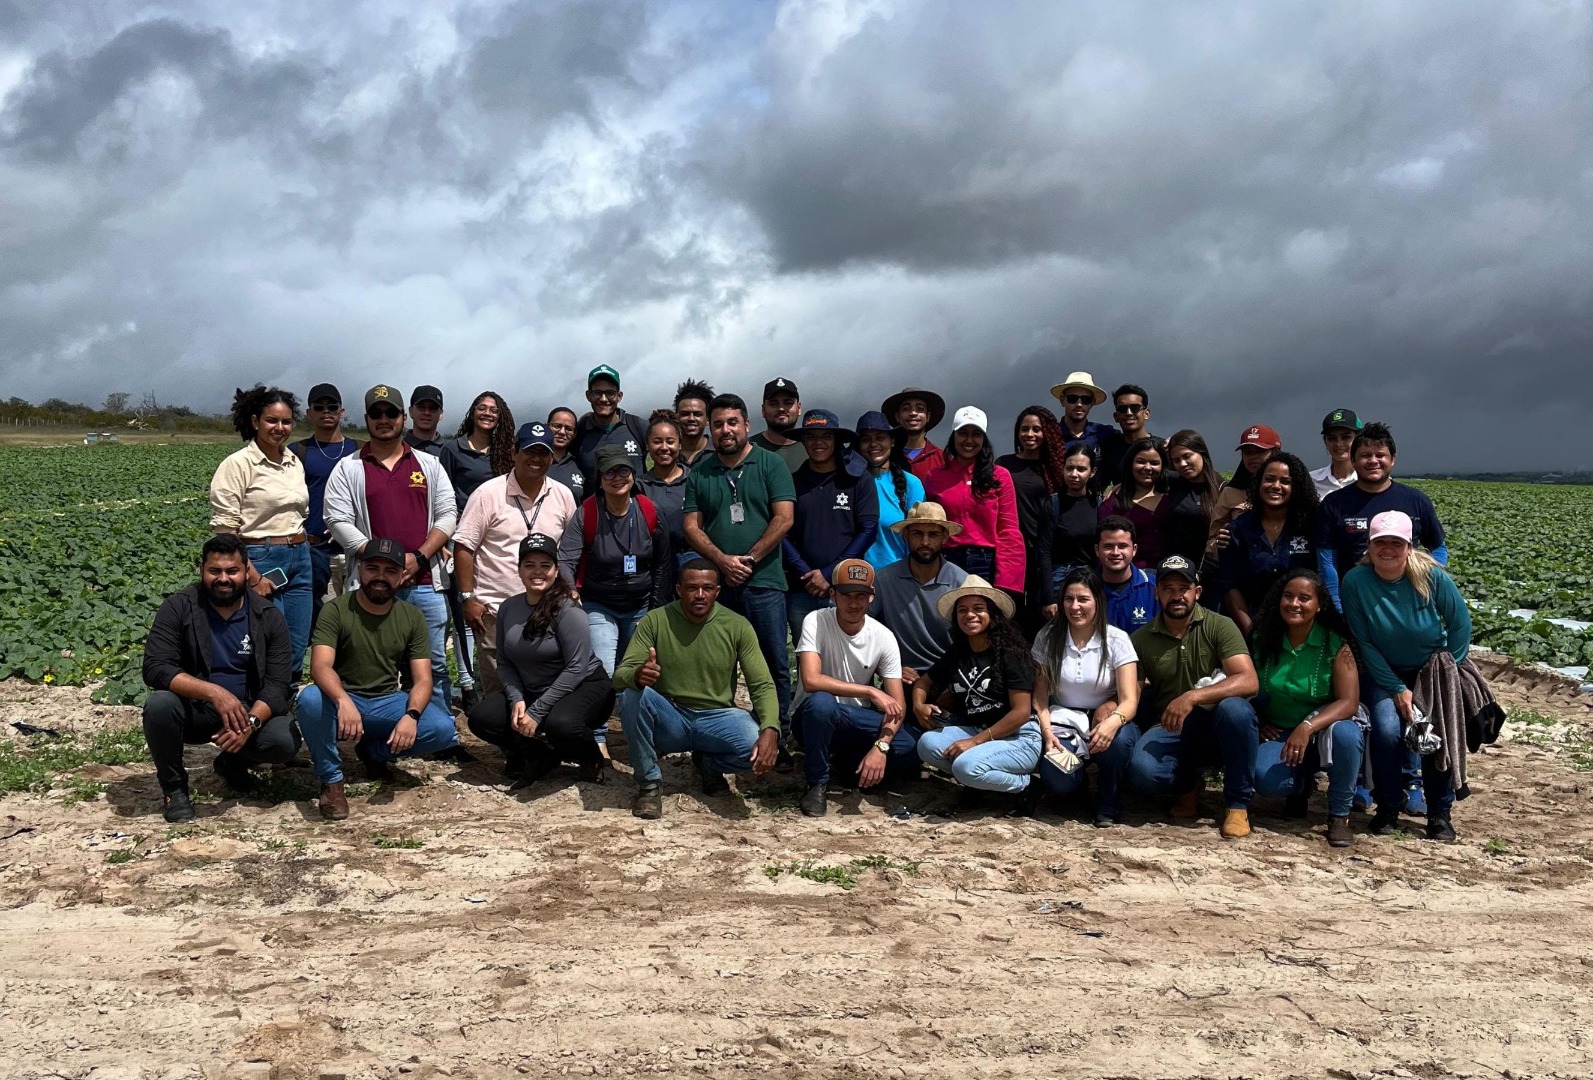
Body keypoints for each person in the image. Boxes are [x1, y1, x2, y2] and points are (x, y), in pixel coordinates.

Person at [297, 538, 463, 820]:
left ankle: (375, 753)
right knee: (310, 699)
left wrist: (411, 715)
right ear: (360, 570)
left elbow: (423, 679)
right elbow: (320, 667)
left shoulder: (411, 616)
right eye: (373, 568)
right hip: (343, 699)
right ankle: (332, 780)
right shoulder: (336, 609)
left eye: (390, 571)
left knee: (442, 729)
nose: (380, 577)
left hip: (387, 699)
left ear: (402, 576)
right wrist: (342, 700)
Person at [140, 536, 301, 822]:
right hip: (195, 710)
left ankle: (233, 762)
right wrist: (214, 693)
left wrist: (251, 723)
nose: (223, 579)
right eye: (215, 571)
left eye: (232, 571)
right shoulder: (179, 607)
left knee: (284, 740)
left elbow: (278, 684)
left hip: (247, 711)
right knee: (160, 705)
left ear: (246, 570)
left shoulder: (268, 616)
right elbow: (155, 667)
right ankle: (174, 789)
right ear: (201, 569)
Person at [324, 385, 458, 716]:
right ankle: (373, 730)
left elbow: (448, 515)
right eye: (376, 414)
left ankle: (435, 733)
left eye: (391, 413)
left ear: (403, 417)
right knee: (369, 664)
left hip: (425, 580)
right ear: (367, 419)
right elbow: (337, 518)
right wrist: (384, 562)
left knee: (434, 664)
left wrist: (420, 556)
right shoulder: (348, 468)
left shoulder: (428, 465)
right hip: (372, 584)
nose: (384, 420)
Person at [614, 560, 781, 818]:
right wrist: (637, 675)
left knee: (753, 745)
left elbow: (761, 684)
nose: (699, 595)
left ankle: (709, 765)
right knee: (631, 694)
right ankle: (649, 784)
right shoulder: (655, 621)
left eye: (707, 588)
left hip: (717, 716)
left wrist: (771, 728)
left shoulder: (737, 626)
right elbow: (619, 676)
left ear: (717, 591)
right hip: (671, 714)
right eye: (692, 588)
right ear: (679, 589)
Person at [1341, 511, 1471, 842]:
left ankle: (1439, 812)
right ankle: (1387, 805)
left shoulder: (1431, 576)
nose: (1387, 549)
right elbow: (1364, 641)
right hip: (1383, 670)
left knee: (1433, 736)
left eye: (1395, 543)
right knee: (1386, 731)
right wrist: (1398, 688)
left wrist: (1447, 670)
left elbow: (1459, 624)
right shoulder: (1355, 582)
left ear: (1409, 546)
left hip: (1430, 670)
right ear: (1369, 546)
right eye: (1379, 542)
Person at [683, 393, 797, 750]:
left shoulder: (770, 464)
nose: (725, 430)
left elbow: (785, 517)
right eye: (717, 424)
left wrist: (748, 558)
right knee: (718, 665)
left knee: (773, 661)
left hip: (763, 581)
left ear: (747, 425)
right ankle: (722, 738)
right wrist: (722, 561)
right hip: (718, 585)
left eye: (732, 422)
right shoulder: (701, 471)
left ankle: (777, 736)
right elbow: (691, 526)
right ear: (709, 429)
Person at [1126, 555, 1262, 839]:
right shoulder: (1140, 638)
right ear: (1156, 592)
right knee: (1143, 770)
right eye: (1168, 588)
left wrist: (1192, 697)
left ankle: (1237, 804)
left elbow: (1248, 680)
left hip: (1216, 721)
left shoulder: (1220, 625)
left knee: (1237, 711)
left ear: (1197, 592)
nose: (1177, 596)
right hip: (1171, 726)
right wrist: (1109, 709)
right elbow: (1132, 693)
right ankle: (1188, 786)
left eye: (1184, 588)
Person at [467, 534, 615, 786]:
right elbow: (504, 661)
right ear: (519, 570)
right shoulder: (508, 608)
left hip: (583, 686)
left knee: (562, 725)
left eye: (545, 565)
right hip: (534, 688)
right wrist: (516, 699)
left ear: (556, 571)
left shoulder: (569, 610)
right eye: (530, 565)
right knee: (481, 718)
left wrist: (536, 711)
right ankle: (541, 756)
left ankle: (590, 758)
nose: (538, 572)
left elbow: (576, 668)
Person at [453, 421, 578, 694]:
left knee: (544, 689)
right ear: (514, 452)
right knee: (500, 692)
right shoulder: (488, 494)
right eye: (529, 451)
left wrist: (569, 589)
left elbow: (569, 550)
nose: (536, 459)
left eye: (543, 453)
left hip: (547, 611)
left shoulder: (563, 495)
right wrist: (467, 598)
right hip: (495, 611)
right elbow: (464, 547)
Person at [1249, 571, 1363, 847]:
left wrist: (1307, 726)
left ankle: (1338, 815)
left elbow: (1349, 702)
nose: (1294, 604)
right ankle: (1300, 786)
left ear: (1319, 605)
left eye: (1304, 598)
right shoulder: (1261, 639)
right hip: (1280, 732)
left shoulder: (1336, 645)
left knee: (1347, 735)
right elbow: (1247, 687)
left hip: (1323, 728)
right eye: (1288, 596)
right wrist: (1260, 719)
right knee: (1265, 780)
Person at [793, 560, 910, 816]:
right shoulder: (816, 620)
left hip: (853, 719)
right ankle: (817, 783)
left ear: (871, 597)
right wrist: (870, 690)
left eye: (861, 595)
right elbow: (811, 680)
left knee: (909, 746)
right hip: (814, 716)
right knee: (822, 703)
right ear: (833, 594)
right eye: (846, 595)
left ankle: (850, 764)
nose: (854, 603)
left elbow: (898, 707)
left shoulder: (883, 636)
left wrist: (881, 747)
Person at [913, 576, 1040, 811]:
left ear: (992, 614)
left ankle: (1026, 786)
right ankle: (981, 783)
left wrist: (973, 742)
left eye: (978, 609)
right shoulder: (959, 651)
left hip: (1019, 736)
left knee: (965, 767)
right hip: (978, 730)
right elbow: (923, 682)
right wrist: (919, 705)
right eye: (963, 610)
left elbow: (1021, 712)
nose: (970, 615)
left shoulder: (1011, 653)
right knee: (927, 744)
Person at [209, 385, 313, 668]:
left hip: (300, 557)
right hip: (260, 558)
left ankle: (285, 703)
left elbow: (299, 513)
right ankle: (261, 702)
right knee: (267, 640)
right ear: (255, 421)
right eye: (272, 420)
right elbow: (226, 531)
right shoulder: (238, 465)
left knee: (297, 641)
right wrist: (252, 577)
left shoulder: (293, 462)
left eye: (286, 421)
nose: (279, 427)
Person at [1029, 569, 1140, 826]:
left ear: (1098, 601)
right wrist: (1047, 732)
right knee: (1058, 779)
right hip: (1063, 721)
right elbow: (1040, 697)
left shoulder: (1117, 640)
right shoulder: (1047, 637)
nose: (1075, 606)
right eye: (1069, 599)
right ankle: (1078, 786)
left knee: (1119, 742)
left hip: (1106, 716)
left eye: (1083, 599)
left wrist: (1112, 722)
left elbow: (1130, 699)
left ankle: (1108, 802)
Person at [559, 444, 672, 674]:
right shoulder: (587, 513)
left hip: (641, 605)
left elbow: (662, 563)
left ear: (633, 475)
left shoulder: (649, 511)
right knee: (606, 671)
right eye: (609, 472)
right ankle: (607, 709)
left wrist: (655, 610)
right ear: (599, 480)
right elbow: (565, 560)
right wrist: (570, 590)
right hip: (599, 605)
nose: (617, 478)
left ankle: (627, 710)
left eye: (623, 471)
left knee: (634, 672)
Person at [1316, 422, 1447, 610]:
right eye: (1365, 455)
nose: (1373, 461)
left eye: (1380, 455)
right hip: (1355, 603)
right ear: (1353, 460)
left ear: (1392, 459)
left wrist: (1425, 579)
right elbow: (1327, 562)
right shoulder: (1333, 503)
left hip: (1407, 601)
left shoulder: (1415, 500)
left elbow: (1439, 548)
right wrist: (1338, 607)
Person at [783, 409, 880, 641]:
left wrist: (829, 574)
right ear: (803, 441)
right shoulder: (792, 481)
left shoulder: (859, 479)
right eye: (811, 436)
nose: (818, 442)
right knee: (806, 659)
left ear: (836, 440)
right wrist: (806, 573)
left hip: (847, 588)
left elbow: (868, 530)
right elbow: (781, 532)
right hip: (802, 589)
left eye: (826, 435)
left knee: (850, 656)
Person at [922, 406, 1024, 598]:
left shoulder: (999, 476)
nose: (969, 440)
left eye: (976, 434)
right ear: (954, 435)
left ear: (983, 439)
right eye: (963, 433)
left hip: (986, 563)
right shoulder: (934, 477)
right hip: (946, 561)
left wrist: (1007, 582)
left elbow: (1008, 529)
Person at [1216, 451, 1319, 637]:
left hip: (1303, 629)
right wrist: (1251, 632)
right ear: (1258, 483)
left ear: (1297, 487)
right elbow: (1229, 585)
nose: (1276, 486)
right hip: (1249, 627)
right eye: (1269, 479)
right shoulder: (1237, 529)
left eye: (1285, 481)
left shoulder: (1311, 527)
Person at [870, 503, 970, 691]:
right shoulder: (883, 580)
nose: (925, 542)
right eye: (917, 534)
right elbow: (859, 630)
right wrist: (885, 668)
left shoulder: (962, 583)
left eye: (933, 534)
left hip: (951, 681)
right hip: (901, 680)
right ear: (906, 535)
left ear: (944, 538)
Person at [289, 383, 362, 634]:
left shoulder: (361, 450)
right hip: (317, 551)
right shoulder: (297, 452)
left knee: (361, 625)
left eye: (332, 407)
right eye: (318, 407)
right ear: (309, 414)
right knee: (328, 627)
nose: (326, 412)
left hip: (357, 552)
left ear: (342, 412)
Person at [997, 406, 1069, 632]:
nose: (1030, 434)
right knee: (1011, 613)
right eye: (1024, 429)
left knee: (1043, 614)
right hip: (1011, 550)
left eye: (1036, 429)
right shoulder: (1004, 464)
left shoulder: (1055, 468)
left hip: (1046, 551)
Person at [854, 410, 924, 568]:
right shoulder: (849, 483)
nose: (873, 444)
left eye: (880, 438)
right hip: (855, 580)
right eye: (866, 439)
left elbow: (918, 535)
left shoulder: (911, 484)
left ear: (892, 441)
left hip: (898, 577)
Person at [1036, 441, 1098, 620]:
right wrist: (1048, 598)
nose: (1074, 474)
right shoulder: (1052, 504)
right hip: (1058, 580)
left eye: (1081, 469)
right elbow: (1043, 551)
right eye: (1069, 468)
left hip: (1088, 578)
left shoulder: (1099, 505)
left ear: (1092, 472)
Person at [1098, 436, 1170, 568]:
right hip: (1119, 575)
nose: (1147, 468)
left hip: (1161, 577)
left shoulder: (1171, 501)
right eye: (1141, 461)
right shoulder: (1113, 502)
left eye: (1154, 463)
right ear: (1130, 463)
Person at [439, 391, 516, 514]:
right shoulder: (453, 449)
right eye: (482, 408)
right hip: (463, 522)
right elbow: (442, 494)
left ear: (499, 417)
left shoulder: (506, 452)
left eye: (494, 410)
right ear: (472, 414)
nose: (487, 413)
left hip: (499, 522)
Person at [573, 365, 649, 487]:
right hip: (592, 505)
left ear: (619, 396)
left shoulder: (637, 426)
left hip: (633, 504)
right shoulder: (579, 432)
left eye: (610, 393)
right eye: (597, 393)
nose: (603, 399)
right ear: (588, 395)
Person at [1163, 429, 1228, 567]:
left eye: (1187, 456)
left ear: (1202, 453)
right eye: (1176, 460)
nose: (1182, 464)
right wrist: (1120, 486)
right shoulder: (1172, 483)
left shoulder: (1222, 488)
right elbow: (1144, 471)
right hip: (1175, 569)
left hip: (1209, 570)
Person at [639, 410, 691, 563]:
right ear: (647, 445)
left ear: (680, 444)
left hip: (690, 558)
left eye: (670, 441)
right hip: (652, 560)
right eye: (656, 442)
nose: (664, 447)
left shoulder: (695, 480)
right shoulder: (639, 486)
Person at [1095, 516, 1159, 634]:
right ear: (1097, 550)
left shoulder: (1154, 587)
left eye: (1122, 546)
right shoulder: (1086, 587)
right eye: (1108, 546)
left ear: (1134, 549)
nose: (1115, 552)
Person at [1049, 371, 1118, 478]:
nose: (1079, 404)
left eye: (1086, 400)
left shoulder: (1105, 434)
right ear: (1062, 400)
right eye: (1072, 398)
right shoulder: (1050, 435)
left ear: (1092, 403)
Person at [881, 386, 947, 479]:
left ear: (928, 416)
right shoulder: (884, 457)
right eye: (906, 409)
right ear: (897, 416)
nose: (913, 413)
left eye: (920, 409)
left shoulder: (944, 460)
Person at [750, 376, 808, 472]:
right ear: (763, 410)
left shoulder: (813, 448)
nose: (781, 408)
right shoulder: (748, 449)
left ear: (799, 408)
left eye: (788, 403)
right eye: (773, 404)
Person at [1104, 384, 1155, 488]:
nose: (1128, 413)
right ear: (1116, 416)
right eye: (1122, 409)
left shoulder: (1162, 448)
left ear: (1146, 413)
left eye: (1135, 408)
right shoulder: (1109, 449)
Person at [1311, 408, 1362, 500]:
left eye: (1346, 437)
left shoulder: (1372, 480)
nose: (1339, 444)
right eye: (1332, 438)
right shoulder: (1311, 481)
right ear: (1325, 442)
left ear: (1359, 439)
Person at [546, 407, 587, 503]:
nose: (562, 432)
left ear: (575, 434)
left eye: (569, 429)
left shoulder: (580, 466)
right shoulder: (534, 462)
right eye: (557, 426)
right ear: (547, 427)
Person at [673, 379, 715, 468]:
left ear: (708, 419)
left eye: (697, 414)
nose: (691, 418)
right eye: (685, 414)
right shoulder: (668, 452)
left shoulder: (719, 451)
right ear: (676, 418)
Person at [404, 386, 446, 456]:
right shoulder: (396, 449)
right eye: (421, 407)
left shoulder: (451, 452)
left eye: (433, 408)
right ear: (410, 411)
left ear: (441, 414)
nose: (427, 412)